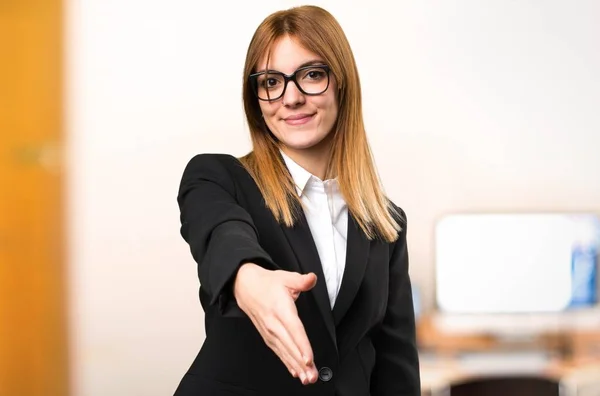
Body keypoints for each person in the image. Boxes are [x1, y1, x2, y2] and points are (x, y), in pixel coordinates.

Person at [174, 5, 420, 396]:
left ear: (342, 83)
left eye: (311, 75)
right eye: (271, 81)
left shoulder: (386, 222)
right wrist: (248, 277)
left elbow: (395, 364)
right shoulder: (218, 178)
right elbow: (221, 234)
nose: (290, 98)